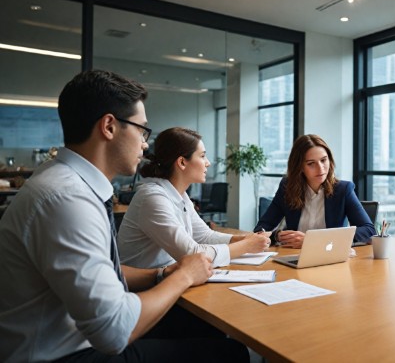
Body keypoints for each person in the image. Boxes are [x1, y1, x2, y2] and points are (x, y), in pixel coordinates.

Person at [0, 70, 248, 362]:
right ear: (109, 126)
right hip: (62, 353)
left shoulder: (67, 182)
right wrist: (183, 276)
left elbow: (101, 270)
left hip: (73, 334)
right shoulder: (67, 199)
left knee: (203, 326)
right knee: (230, 354)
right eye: (142, 130)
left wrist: (160, 274)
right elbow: (115, 331)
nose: (145, 144)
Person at [118, 127, 270, 269]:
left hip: (167, 278)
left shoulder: (180, 195)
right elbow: (192, 254)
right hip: (143, 288)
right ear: (182, 162)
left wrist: (245, 239)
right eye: (202, 156)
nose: (208, 163)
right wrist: (247, 245)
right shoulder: (152, 198)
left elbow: (204, 236)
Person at [254, 134, 375, 247]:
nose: (321, 168)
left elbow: (368, 230)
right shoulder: (287, 187)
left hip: (329, 257)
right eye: (311, 163)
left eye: (323, 160)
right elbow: (261, 229)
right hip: (293, 256)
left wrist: (312, 241)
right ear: (299, 166)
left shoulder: (343, 190)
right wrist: (278, 236)